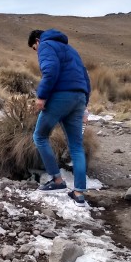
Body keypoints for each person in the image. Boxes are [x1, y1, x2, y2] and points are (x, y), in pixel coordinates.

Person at [28, 29, 91, 207]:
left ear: (37, 41)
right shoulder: (71, 50)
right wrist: (84, 103)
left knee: (39, 137)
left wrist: (41, 96)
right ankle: (79, 193)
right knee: (76, 146)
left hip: (60, 97)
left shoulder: (46, 45)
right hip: (79, 98)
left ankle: (57, 180)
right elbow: (85, 77)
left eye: (34, 48)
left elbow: (50, 70)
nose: (36, 51)